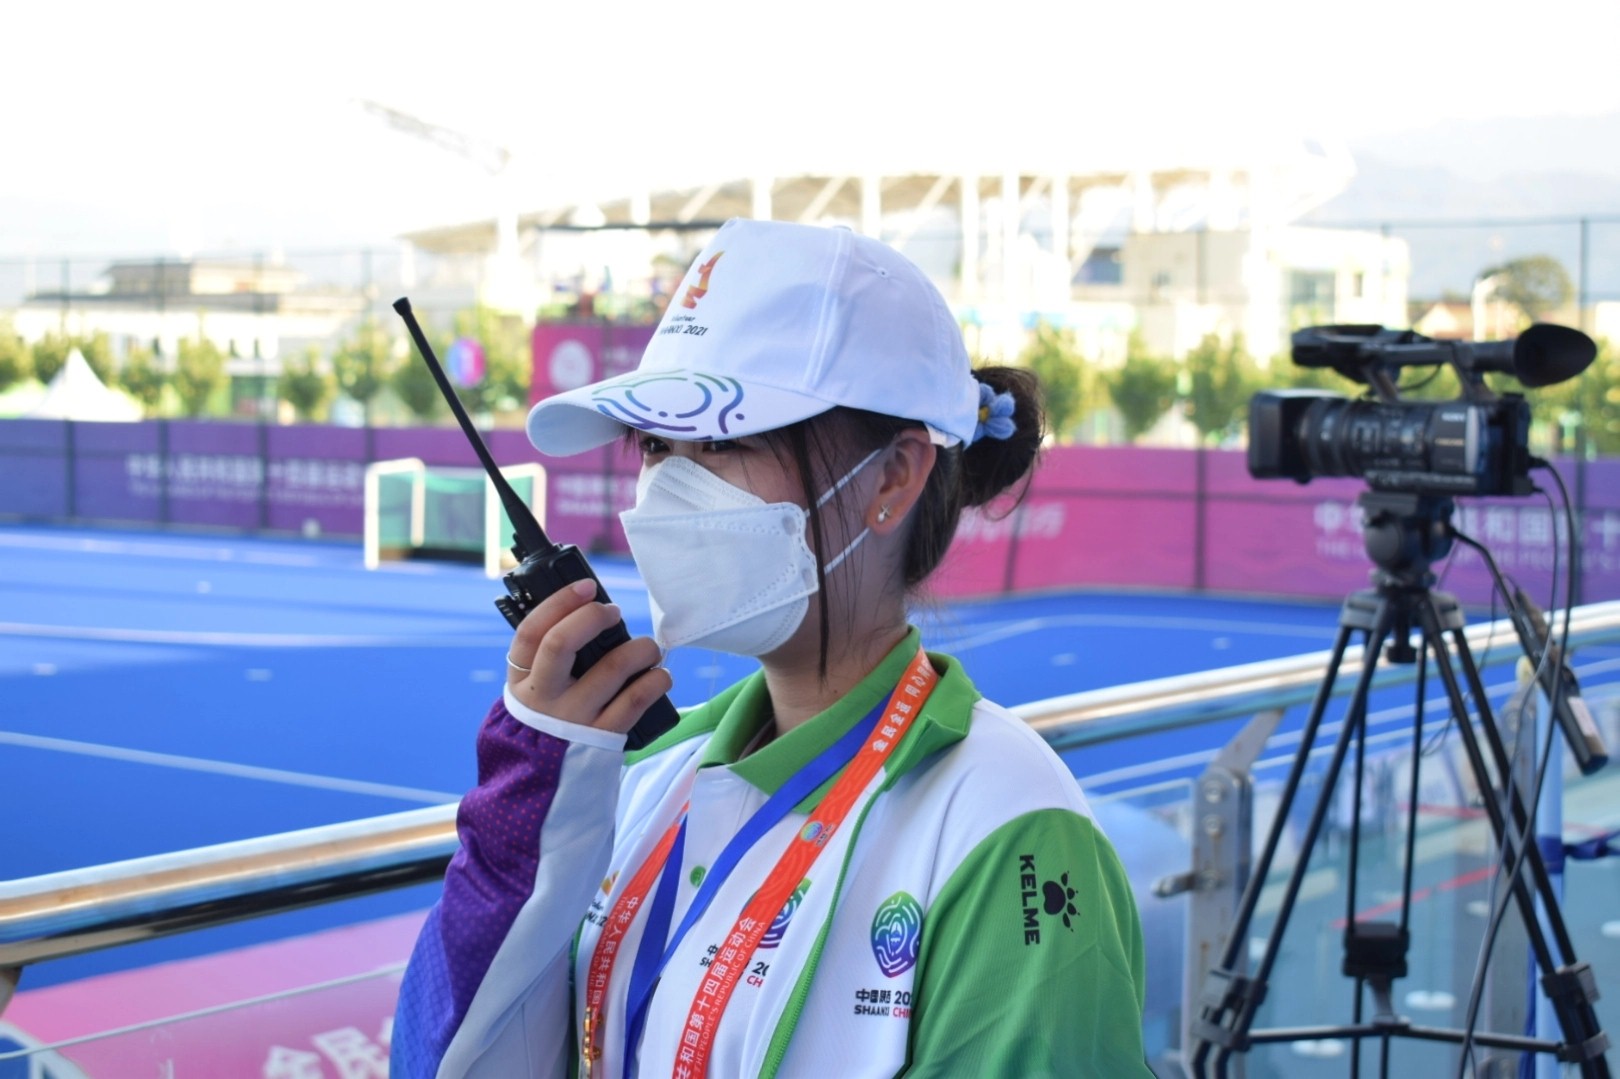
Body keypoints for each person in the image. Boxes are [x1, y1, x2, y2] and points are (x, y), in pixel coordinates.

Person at [393, 218, 1153, 1078]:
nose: (668, 489)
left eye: (723, 441)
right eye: (656, 445)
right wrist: (522, 824)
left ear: (893, 476)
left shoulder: (1007, 823)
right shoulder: (639, 772)